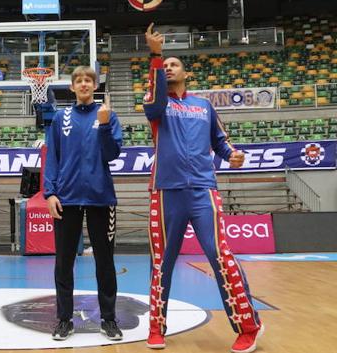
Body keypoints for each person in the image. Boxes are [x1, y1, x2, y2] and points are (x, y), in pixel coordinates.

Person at [143, 23, 264, 353]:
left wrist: (232, 154)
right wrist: (155, 55)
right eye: (164, 66)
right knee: (161, 263)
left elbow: (221, 141)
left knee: (221, 257)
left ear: (185, 73)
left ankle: (248, 326)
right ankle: (156, 327)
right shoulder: (156, 103)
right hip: (165, 190)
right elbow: (153, 103)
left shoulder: (203, 106)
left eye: (173, 65)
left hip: (202, 190)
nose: (168, 68)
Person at [43, 66, 124, 341]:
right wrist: (49, 193)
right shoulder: (60, 118)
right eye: (79, 80)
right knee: (63, 263)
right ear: (72, 87)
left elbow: (112, 153)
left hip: (101, 198)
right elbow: (51, 157)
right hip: (66, 199)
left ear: (96, 84)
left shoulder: (108, 116)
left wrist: (103, 125)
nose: (84, 84)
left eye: (89, 80)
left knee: (105, 262)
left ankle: (109, 319)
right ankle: (64, 319)